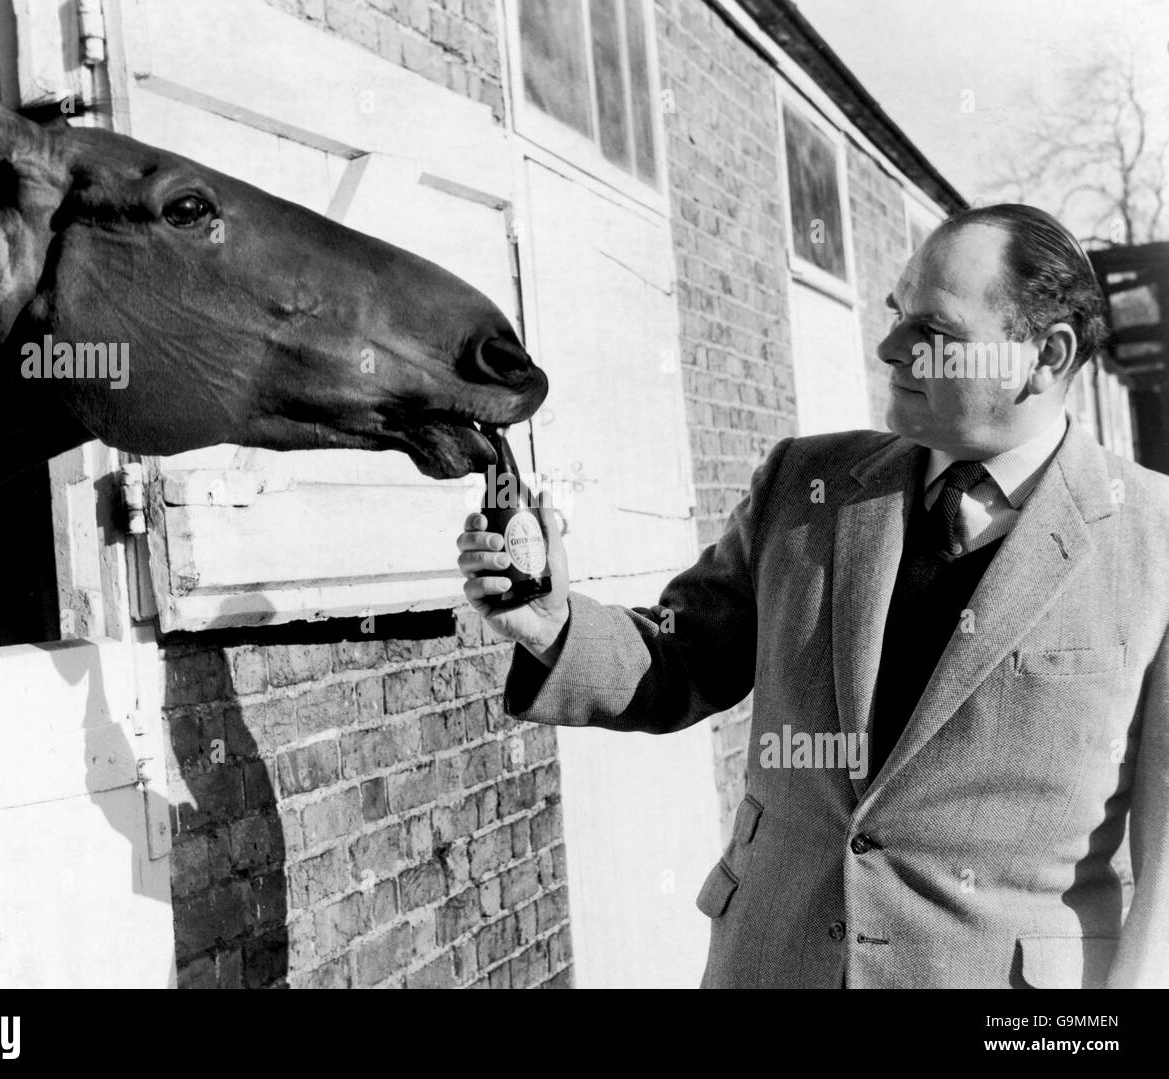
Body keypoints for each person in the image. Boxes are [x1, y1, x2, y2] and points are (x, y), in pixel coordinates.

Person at [456, 204, 1169, 989]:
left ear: (1046, 354)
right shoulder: (806, 486)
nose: (890, 346)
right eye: (899, 313)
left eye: (935, 330)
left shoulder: (1154, 541)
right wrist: (554, 625)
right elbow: (680, 656)